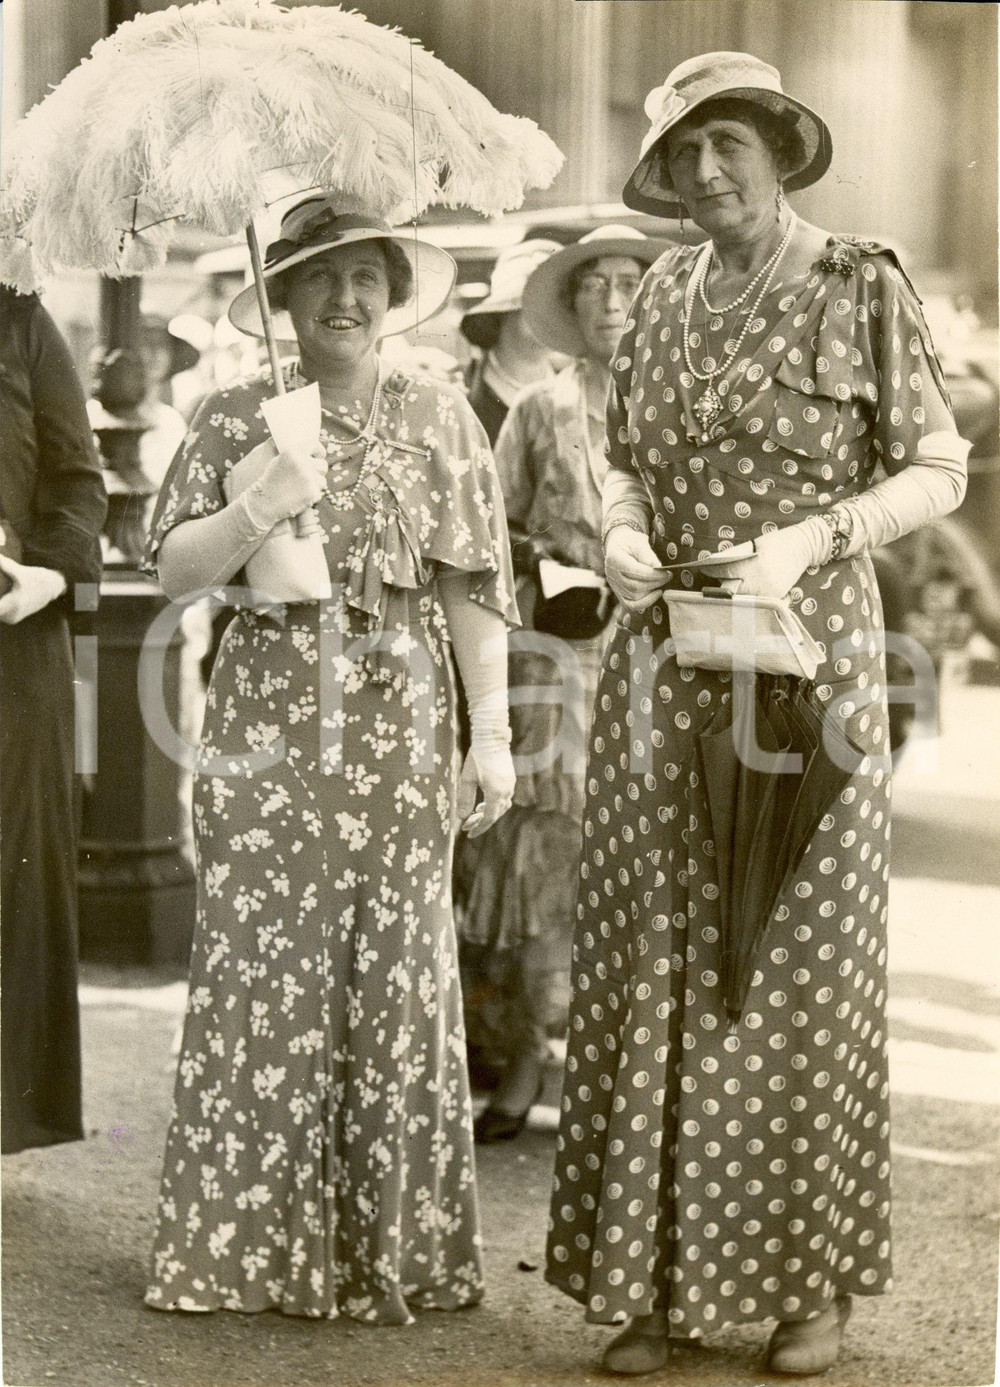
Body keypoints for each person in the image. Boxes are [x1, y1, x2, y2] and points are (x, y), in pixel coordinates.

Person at [544, 52, 969, 1377]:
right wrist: (615, 523)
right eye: (683, 152)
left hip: (807, 667)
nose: (707, 170)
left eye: (729, 142)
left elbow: (943, 465)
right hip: (662, 668)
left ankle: (809, 1290)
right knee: (661, 954)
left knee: (794, 964)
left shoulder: (861, 282)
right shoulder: (660, 289)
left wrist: (817, 535)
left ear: (779, 148)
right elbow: (622, 454)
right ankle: (658, 1284)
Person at [142, 197, 519, 1325]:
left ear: (394, 291)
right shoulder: (229, 414)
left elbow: (472, 586)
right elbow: (172, 574)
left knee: (394, 972)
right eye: (319, 278)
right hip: (266, 726)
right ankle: (243, 1252)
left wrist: (488, 734)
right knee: (263, 973)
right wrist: (262, 496)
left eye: (365, 276)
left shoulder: (442, 415)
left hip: (401, 727)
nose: (344, 300)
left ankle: (383, 1253)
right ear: (282, 295)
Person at [457, 227, 667, 1143]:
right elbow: (488, 538)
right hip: (554, 657)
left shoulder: (676, 408)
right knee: (545, 854)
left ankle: (622, 1074)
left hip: (655, 653)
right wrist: (546, 564)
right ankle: (529, 1061)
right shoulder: (539, 410)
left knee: (637, 856)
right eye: (598, 288)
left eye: (631, 284)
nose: (615, 301)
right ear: (571, 306)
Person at [0, 284, 108, 1154]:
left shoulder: (21, 321)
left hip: (14, 637)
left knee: (11, 875)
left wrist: (50, 576)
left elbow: (76, 481)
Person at [460, 239, 562, 444]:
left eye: (555, 310)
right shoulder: (462, 392)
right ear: (500, 315)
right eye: (534, 309)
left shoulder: (575, 389)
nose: (548, 321)